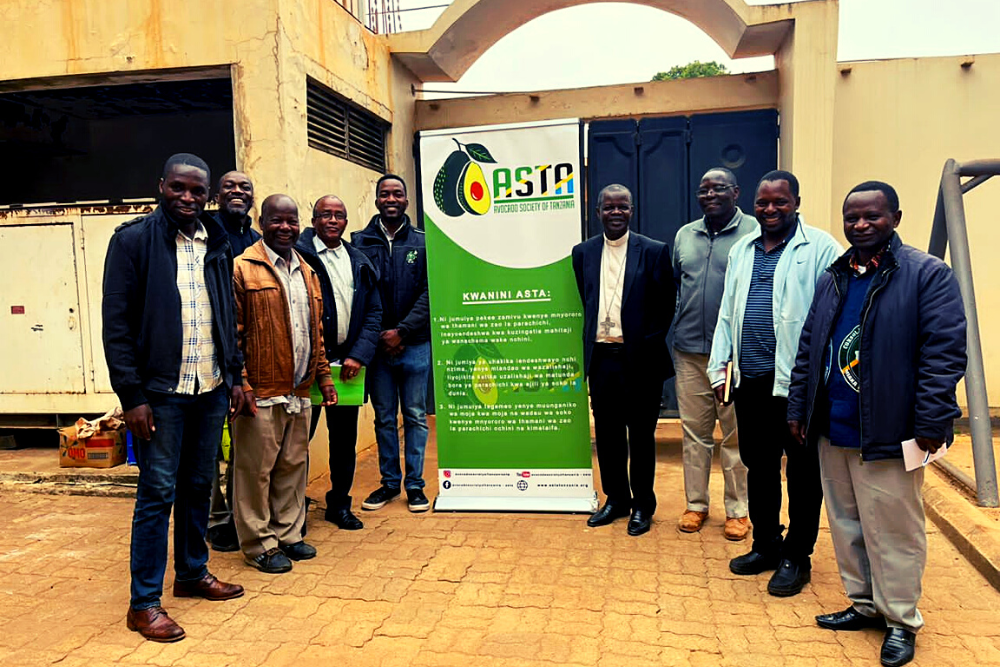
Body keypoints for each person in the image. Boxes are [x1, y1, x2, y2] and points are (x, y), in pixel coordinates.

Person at [787, 182, 967, 667]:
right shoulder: (835, 276)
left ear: (896, 218)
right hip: (833, 427)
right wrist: (799, 409)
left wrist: (932, 418)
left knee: (894, 530)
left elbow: (944, 353)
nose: (861, 224)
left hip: (890, 430)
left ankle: (901, 620)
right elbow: (810, 347)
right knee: (847, 524)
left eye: (873, 216)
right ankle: (865, 604)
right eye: (853, 217)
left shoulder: (926, 275)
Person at [103, 153, 245, 643]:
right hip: (160, 394)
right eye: (178, 188)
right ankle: (143, 603)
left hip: (209, 388)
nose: (188, 197)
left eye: (197, 191)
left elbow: (225, 313)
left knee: (198, 486)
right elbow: (116, 325)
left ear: (209, 195)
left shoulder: (215, 240)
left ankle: (191, 573)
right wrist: (132, 396)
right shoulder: (133, 241)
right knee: (157, 493)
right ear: (160, 185)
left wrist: (234, 376)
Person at [708, 170, 842, 596]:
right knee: (759, 465)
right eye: (763, 202)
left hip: (798, 386)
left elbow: (835, 315)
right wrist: (719, 366)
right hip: (750, 382)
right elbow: (727, 312)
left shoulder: (820, 247)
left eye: (780, 202)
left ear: (796, 203)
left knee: (802, 473)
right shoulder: (743, 249)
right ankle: (766, 544)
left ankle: (797, 556)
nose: (770, 209)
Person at [231, 194, 337, 574]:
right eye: (277, 220)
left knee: (292, 466)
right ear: (262, 222)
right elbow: (233, 334)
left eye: (292, 221)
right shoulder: (242, 268)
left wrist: (324, 378)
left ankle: (288, 534)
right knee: (255, 471)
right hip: (260, 391)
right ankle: (259, 544)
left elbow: (315, 333)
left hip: (298, 389)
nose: (285, 227)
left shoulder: (307, 271)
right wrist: (242, 384)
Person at [571, 184, 675, 536]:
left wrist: (643, 344)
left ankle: (643, 505)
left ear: (632, 210)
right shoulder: (582, 253)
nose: (616, 212)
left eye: (622, 207)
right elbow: (586, 299)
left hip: (641, 361)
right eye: (609, 207)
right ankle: (616, 499)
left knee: (641, 436)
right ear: (597, 212)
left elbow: (666, 306)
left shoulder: (654, 251)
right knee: (607, 434)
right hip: (601, 358)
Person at [672, 168, 755, 540]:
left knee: (735, 435)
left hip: (734, 356)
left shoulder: (754, 232)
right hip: (688, 350)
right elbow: (677, 283)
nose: (710, 195)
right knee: (694, 433)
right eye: (703, 190)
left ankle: (738, 511)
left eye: (718, 188)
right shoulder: (684, 235)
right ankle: (696, 505)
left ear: (735, 192)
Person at [296, 195, 382, 530]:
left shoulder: (358, 259)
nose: (332, 220)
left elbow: (373, 312)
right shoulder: (299, 255)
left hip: (347, 367)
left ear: (346, 222)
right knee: (297, 442)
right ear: (314, 220)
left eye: (339, 215)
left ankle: (339, 505)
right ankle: (293, 511)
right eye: (325, 214)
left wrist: (358, 355)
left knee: (344, 442)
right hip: (307, 367)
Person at [352, 175, 432, 514]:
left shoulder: (423, 242)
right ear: (376, 200)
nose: (391, 199)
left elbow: (430, 292)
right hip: (377, 349)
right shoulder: (358, 241)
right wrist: (381, 336)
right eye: (384, 194)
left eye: (397, 194)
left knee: (415, 416)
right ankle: (388, 484)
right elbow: (360, 293)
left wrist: (402, 331)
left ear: (406, 201)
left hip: (415, 343)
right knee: (384, 418)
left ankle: (415, 486)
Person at [207, 170, 260, 553]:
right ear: (217, 194)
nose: (237, 192)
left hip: (246, 356)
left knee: (244, 443)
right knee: (210, 444)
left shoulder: (257, 241)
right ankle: (215, 517)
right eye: (230, 187)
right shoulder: (206, 234)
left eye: (245, 187)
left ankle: (240, 514)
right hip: (210, 352)